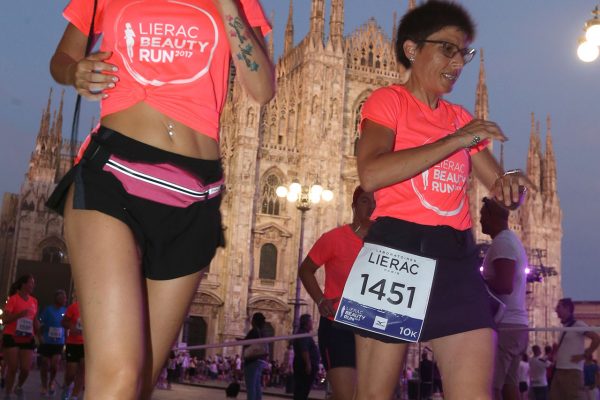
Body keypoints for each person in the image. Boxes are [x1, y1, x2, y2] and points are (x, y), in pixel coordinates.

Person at [47, 0, 275, 397]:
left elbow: (262, 87)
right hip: (115, 173)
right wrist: (74, 71)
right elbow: (63, 58)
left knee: (139, 383)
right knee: (118, 377)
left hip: (195, 194)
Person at [354, 1, 535, 399]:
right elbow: (371, 173)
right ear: (412, 50)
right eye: (448, 49)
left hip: (456, 257)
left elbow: (498, 183)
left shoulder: (459, 118)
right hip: (395, 253)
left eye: (463, 53)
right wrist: (455, 140)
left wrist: (511, 183)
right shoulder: (389, 102)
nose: (458, 62)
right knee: (373, 394)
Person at [298, 186, 375, 400]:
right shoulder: (334, 238)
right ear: (353, 206)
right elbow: (305, 270)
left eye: (376, 202)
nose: (372, 206)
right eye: (365, 201)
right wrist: (320, 299)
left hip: (373, 329)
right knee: (347, 395)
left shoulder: (387, 245)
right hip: (338, 325)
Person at [480, 197, 529, 400]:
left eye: (482, 215)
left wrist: (478, 280)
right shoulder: (510, 240)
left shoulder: (503, 243)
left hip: (506, 325)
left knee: (492, 385)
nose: (480, 220)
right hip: (516, 325)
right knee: (509, 385)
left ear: (492, 216)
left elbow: (504, 285)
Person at [550, 298, 600, 400]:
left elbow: (596, 338)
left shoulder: (578, 324)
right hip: (559, 371)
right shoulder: (565, 328)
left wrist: (585, 355)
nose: (556, 310)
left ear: (567, 308)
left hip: (571, 372)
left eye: (559, 307)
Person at [2, 274, 39, 399]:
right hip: (12, 336)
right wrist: (19, 315)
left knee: (25, 369)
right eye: (30, 283)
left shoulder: (34, 301)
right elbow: (5, 319)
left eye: (34, 283)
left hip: (27, 338)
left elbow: (34, 320)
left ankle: (18, 387)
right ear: (23, 284)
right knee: (12, 367)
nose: (33, 285)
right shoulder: (13, 299)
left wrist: (39, 333)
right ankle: (7, 393)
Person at [38, 289, 68, 397]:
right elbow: (39, 323)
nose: (65, 299)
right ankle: (44, 385)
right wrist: (39, 336)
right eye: (63, 297)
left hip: (59, 342)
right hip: (47, 341)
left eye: (65, 297)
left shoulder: (66, 311)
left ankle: (51, 382)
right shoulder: (48, 310)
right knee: (45, 363)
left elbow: (66, 327)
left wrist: (66, 340)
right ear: (57, 298)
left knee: (55, 365)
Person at [61, 298, 85, 400]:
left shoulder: (95, 309)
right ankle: (67, 386)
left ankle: (74, 396)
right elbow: (64, 322)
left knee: (82, 369)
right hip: (73, 343)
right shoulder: (74, 307)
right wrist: (71, 327)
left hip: (86, 344)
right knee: (71, 372)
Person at [292, 314, 320, 400]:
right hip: (304, 366)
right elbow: (304, 350)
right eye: (311, 322)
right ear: (306, 323)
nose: (312, 324)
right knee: (302, 390)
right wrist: (308, 364)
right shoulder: (303, 335)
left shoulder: (303, 334)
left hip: (302, 365)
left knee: (302, 390)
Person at [243, 312, 269, 400]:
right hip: (261, 360)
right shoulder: (264, 332)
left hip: (252, 360)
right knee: (257, 385)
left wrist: (241, 341)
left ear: (254, 321)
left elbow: (247, 343)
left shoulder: (254, 331)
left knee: (250, 386)